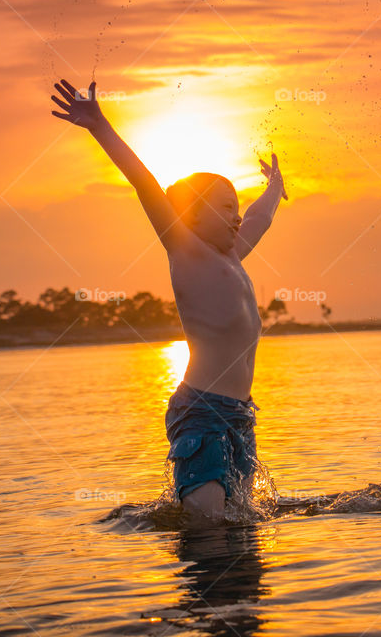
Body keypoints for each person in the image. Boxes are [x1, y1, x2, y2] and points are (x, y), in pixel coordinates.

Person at [51, 79, 287, 525]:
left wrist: (275, 185)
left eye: (235, 205)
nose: (236, 215)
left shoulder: (233, 255)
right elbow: (143, 182)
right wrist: (99, 126)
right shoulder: (185, 250)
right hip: (201, 410)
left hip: (239, 415)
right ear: (189, 215)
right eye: (223, 207)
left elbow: (261, 216)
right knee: (209, 523)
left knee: (240, 522)